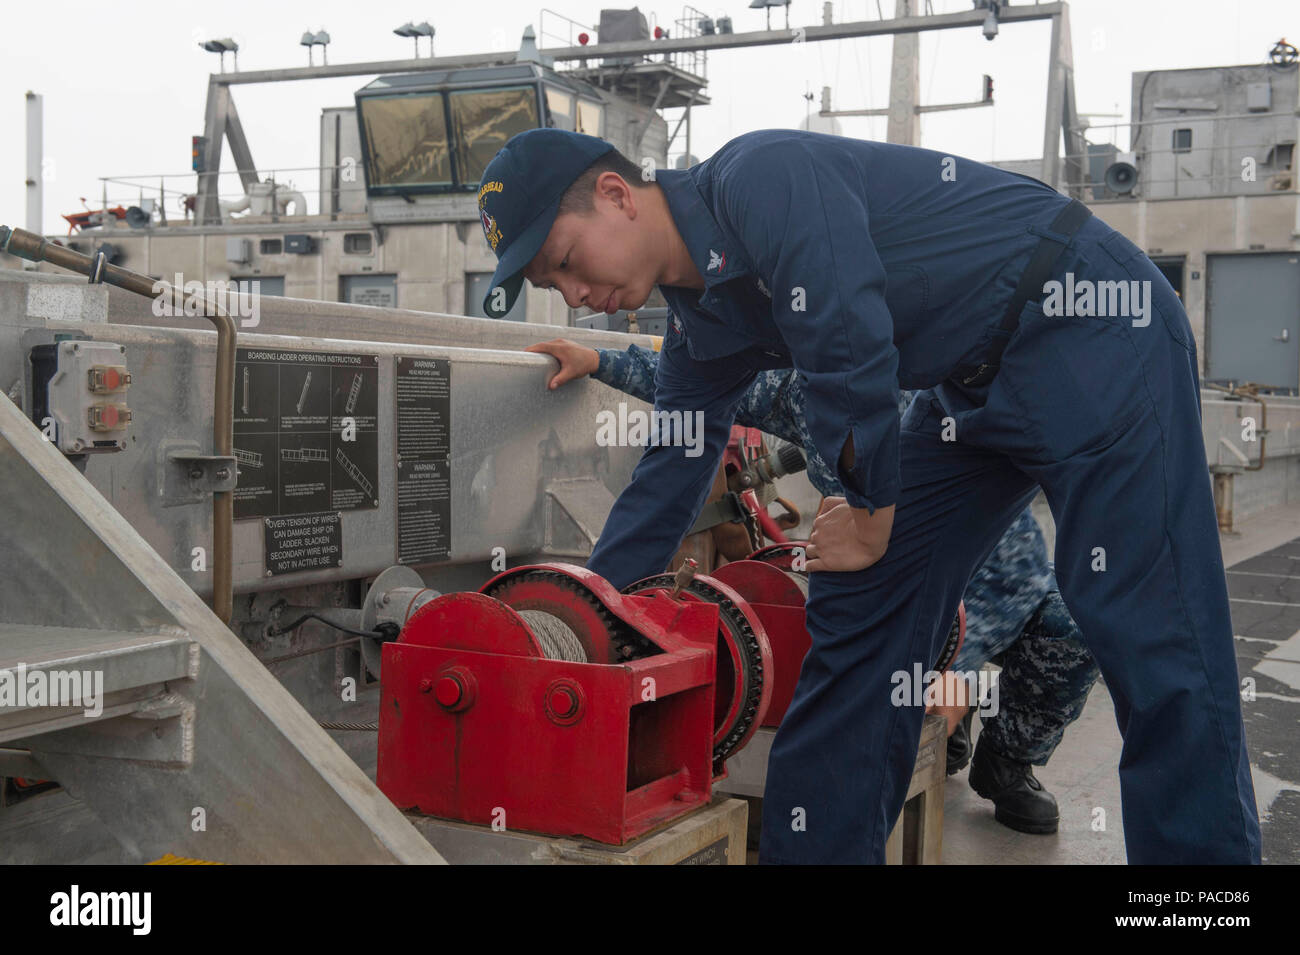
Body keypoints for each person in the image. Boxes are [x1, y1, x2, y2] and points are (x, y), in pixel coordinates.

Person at [475, 127, 1261, 863]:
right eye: (554, 285)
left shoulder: (760, 178)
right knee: (858, 604)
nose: (575, 295)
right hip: (968, 386)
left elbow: (843, 328)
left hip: (1086, 319)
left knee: (1151, 626)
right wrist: (592, 618)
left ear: (616, 192)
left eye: (568, 259)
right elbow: (667, 479)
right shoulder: (699, 325)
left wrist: (872, 508)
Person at [528, 337, 1101, 835]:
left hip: (982, 584)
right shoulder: (805, 386)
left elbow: (1014, 571)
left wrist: (955, 666)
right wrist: (597, 360)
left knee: (1073, 632)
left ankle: (1007, 761)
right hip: (883, 585)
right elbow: (694, 381)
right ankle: (927, 729)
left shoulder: (947, 395)